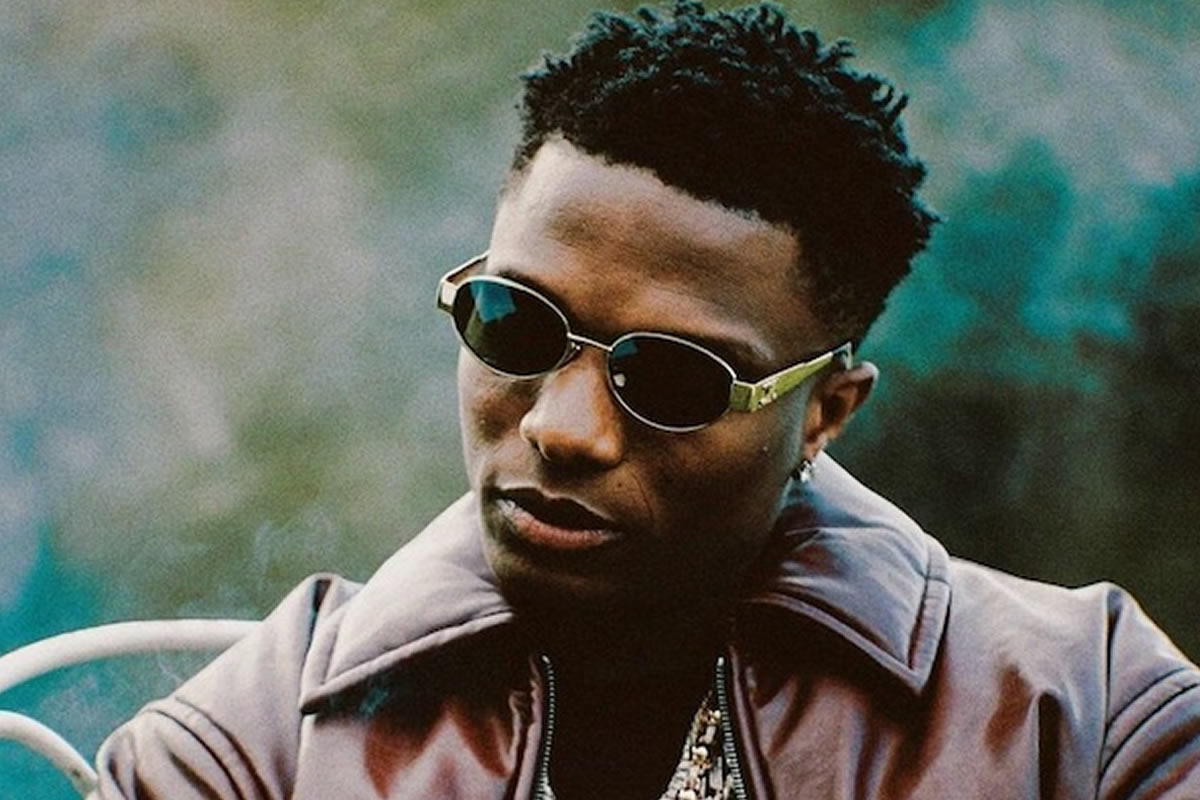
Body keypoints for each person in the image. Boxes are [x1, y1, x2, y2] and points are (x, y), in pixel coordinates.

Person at [91, 2, 1200, 798]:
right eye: (515, 324)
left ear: (826, 412)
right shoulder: (252, 747)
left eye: (673, 378)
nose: (560, 427)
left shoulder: (1088, 717)